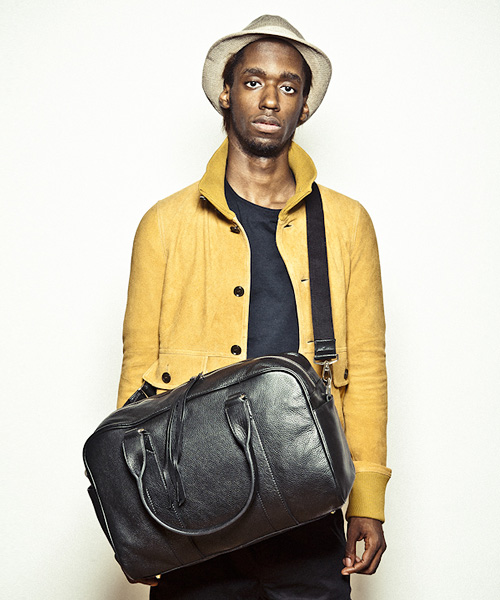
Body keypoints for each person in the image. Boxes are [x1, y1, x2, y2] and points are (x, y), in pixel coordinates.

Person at [118, 14, 391, 599]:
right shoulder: (164, 225)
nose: (270, 99)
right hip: (194, 512)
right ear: (225, 92)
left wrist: (368, 500)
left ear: (305, 106)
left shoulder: (346, 225)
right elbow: (138, 376)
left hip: (309, 512)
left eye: (288, 86)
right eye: (253, 81)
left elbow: (366, 368)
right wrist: (137, 517)